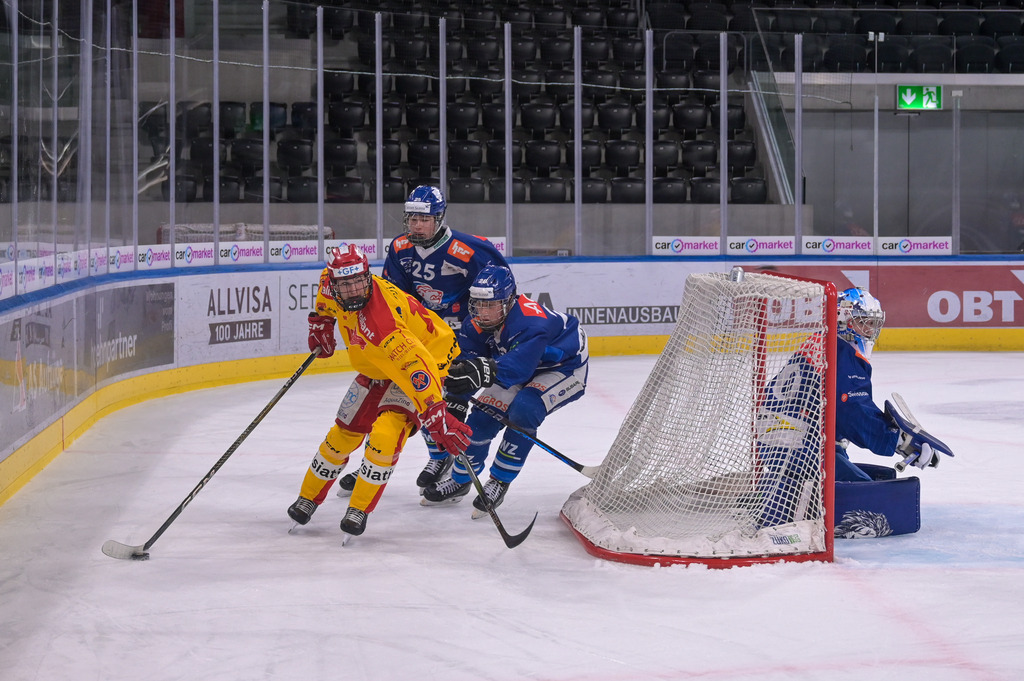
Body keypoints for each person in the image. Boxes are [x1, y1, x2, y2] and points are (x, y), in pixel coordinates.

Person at [287, 244, 471, 541]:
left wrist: (435, 409)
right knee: (342, 435)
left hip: (424, 359)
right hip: (377, 365)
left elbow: (416, 366)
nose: (353, 289)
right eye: (344, 284)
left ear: (367, 276)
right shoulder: (329, 281)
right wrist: (321, 321)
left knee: (385, 436)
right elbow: (325, 297)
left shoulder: (383, 325)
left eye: (358, 281)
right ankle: (308, 497)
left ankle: (359, 508)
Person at [336, 185, 510, 495]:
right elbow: (392, 297)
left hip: (459, 339)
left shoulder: (469, 250)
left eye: (424, 219)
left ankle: (439, 459)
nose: (417, 225)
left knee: (433, 400)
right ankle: (377, 463)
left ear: (440, 218)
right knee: (394, 399)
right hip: (419, 340)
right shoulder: (401, 248)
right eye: (412, 218)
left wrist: (478, 333)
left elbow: (500, 292)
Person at [756, 287, 953, 533]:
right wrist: (899, 441)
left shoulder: (824, 343)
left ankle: (785, 494)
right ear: (843, 320)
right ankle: (792, 511)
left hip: (786, 435)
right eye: (864, 322)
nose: (870, 330)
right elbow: (852, 412)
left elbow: (836, 410)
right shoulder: (842, 353)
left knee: (857, 478)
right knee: (866, 500)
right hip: (795, 442)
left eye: (874, 323)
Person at [420, 264, 589, 516]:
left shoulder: (532, 323)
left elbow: (518, 369)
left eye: (491, 305)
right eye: (478, 304)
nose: (483, 313)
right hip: (514, 363)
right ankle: (460, 479)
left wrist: (483, 372)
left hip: (564, 367)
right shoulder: (473, 325)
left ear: (509, 301)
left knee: (525, 408)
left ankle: (499, 480)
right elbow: (469, 365)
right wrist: (457, 398)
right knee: (480, 420)